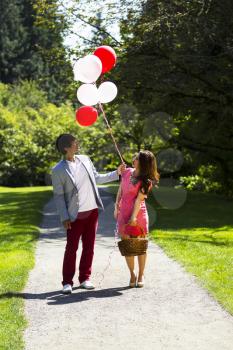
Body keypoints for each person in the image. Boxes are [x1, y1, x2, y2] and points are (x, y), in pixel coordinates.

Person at [51, 133, 126, 294]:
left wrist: (116, 173)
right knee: (71, 248)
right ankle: (67, 282)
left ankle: (85, 278)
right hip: (74, 215)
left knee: (89, 247)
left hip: (92, 211)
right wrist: (64, 217)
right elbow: (58, 196)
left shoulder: (85, 159)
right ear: (66, 147)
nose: (77, 144)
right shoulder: (57, 170)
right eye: (74, 142)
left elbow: (97, 178)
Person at [114, 150, 159, 288]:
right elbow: (121, 190)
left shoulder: (147, 181)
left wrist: (133, 218)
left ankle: (141, 275)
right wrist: (116, 206)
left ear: (143, 163)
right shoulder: (127, 172)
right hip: (123, 212)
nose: (134, 158)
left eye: (137, 158)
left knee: (140, 246)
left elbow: (139, 201)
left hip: (138, 214)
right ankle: (132, 274)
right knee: (127, 245)